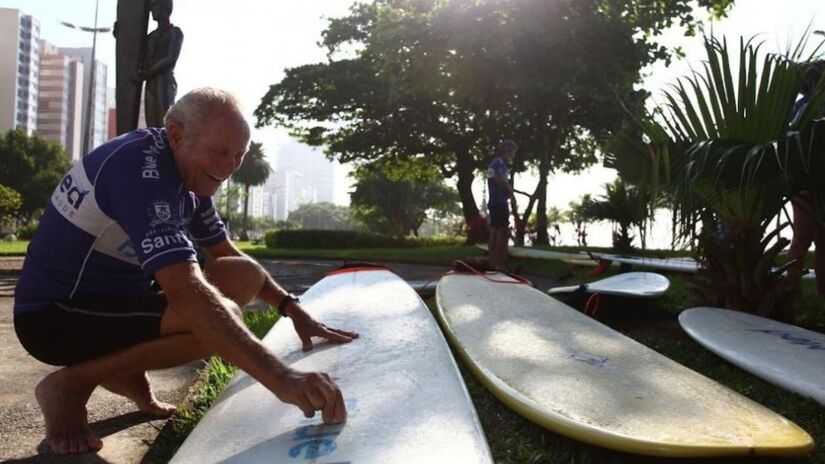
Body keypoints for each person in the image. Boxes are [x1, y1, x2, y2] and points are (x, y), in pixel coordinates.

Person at [13, 88, 358, 455]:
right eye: (220, 152)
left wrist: (291, 308)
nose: (228, 167)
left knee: (242, 275)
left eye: (239, 156)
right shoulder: (140, 172)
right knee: (218, 320)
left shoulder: (189, 178)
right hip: (53, 318)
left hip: (112, 306)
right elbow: (187, 292)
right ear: (177, 135)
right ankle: (71, 385)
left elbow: (228, 256)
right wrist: (282, 378)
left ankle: (124, 369)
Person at [788, 60, 825, 296]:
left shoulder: (800, 106)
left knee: (810, 239)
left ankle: (797, 290)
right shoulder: (809, 106)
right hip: (809, 181)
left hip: (805, 180)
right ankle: (792, 291)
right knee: (806, 238)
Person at [141, 0, 183, 128]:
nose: (152, 10)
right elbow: (136, 54)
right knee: (151, 123)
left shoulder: (174, 32)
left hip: (164, 81)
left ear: (164, 7)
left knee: (164, 122)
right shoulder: (150, 36)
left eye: (155, 5)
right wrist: (120, 34)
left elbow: (170, 58)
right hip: (151, 82)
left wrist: (148, 72)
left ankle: (165, 147)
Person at [486, 140, 519, 270]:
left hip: (493, 201)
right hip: (499, 201)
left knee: (494, 230)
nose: (514, 155)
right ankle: (499, 262)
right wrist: (511, 194)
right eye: (513, 152)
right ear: (507, 151)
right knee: (501, 231)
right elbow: (499, 181)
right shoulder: (499, 163)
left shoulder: (492, 164)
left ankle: (492, 260)